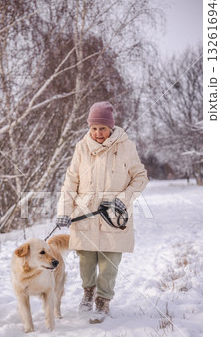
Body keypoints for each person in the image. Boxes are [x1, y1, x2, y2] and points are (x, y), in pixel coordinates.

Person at [56, 101, 148, 323]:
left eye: (102, 128)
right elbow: (70, 181)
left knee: (109, 262)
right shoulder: (81, 147)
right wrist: (64, 211)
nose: (98, 133)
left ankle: (103, 301)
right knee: (85, 262)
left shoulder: (126, 146)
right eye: (94, 128)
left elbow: (140, 177)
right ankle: (88, 292)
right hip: (84, 215)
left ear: (111, 127)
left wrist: (122, 200)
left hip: (113, 217)